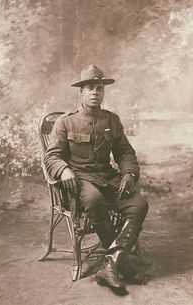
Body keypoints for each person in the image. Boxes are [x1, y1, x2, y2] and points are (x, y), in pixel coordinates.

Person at [44, 65, 149, 292]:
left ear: (103, 92)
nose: (95, 92)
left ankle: (111, 263)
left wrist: (129, 174)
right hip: (79, 181)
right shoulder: (66, 122)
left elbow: (125, 153)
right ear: (81, 92)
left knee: (139, 204)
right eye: (90, 88)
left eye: (99, 88)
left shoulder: (111, 120)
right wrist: (64, 170)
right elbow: (51, 157)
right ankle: (124, 264)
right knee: (93, 200)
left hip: (107, 179)